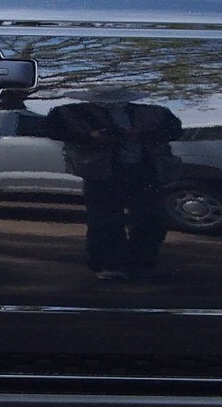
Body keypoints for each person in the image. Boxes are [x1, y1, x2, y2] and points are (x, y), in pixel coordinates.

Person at [45, 93, 183, 279]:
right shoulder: (72, 112)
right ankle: (107, 265)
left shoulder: (151, 112)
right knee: (105, 219)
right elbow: (53, 131)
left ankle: (143, 263)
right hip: (102, 171)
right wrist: (90, 136)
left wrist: (140, 135)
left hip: (145, 170)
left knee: (151, 217)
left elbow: (174, 130)